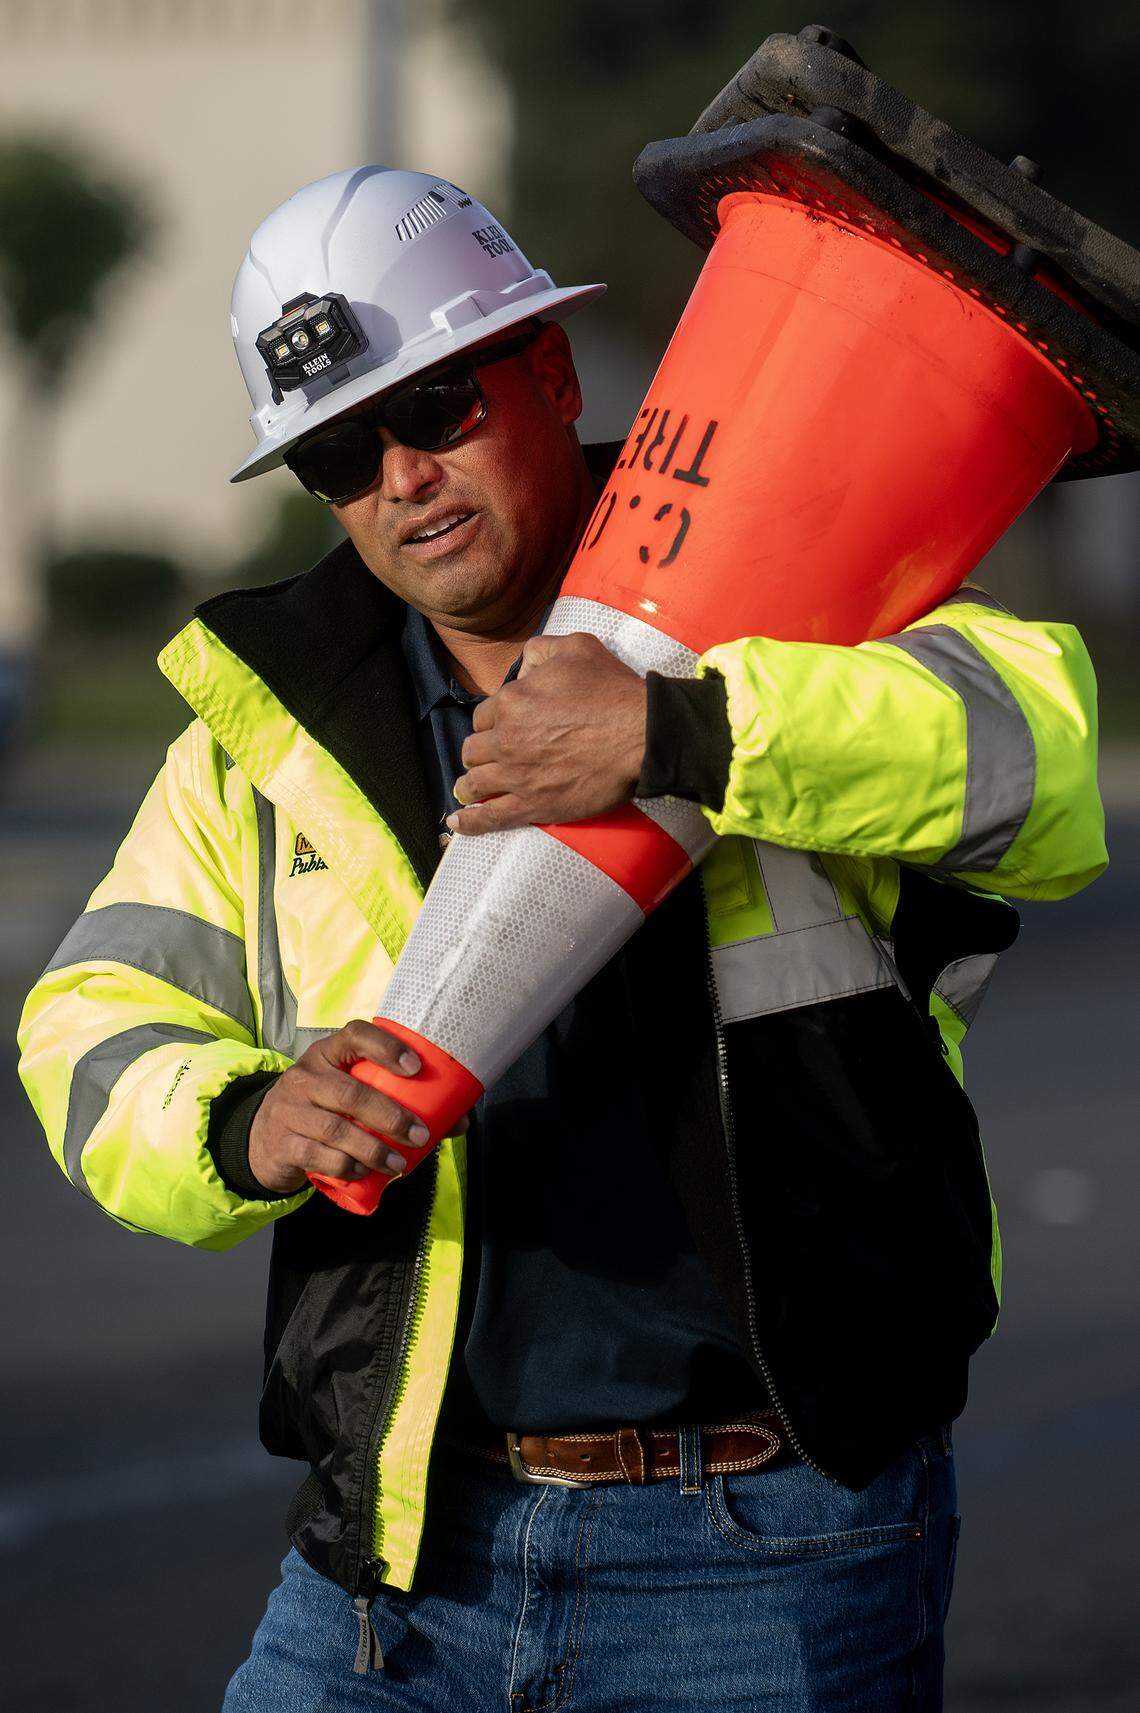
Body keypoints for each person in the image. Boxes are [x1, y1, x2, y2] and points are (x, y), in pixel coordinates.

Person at [18, 167, 1106, 1711]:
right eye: (340, 449)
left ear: (549, 369)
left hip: (767, 1554)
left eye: (438, 405)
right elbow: (85, 1018)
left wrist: (685, 731)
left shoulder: (794, 585)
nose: (401, 473)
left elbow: (1042, 768)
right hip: (395, 1567)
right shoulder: (272, 724)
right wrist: (240, 1116)